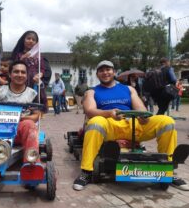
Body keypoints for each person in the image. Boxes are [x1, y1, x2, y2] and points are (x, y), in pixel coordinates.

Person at [73, 60, 188, 191]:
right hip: (110, 124)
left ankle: (168, 169)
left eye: (108, 69)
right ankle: (86, 172)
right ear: (98, 74)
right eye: (101, 70)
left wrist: (143, 116)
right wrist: (109, 113)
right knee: (95, 122)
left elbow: (141, 108)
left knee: (167, 121)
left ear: (114, 72)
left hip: (133, 124)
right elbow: (90, 111)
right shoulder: (92, 92)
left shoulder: (129, 89)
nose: (105, 72)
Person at [11, 30, 47, 111]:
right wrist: (23, 58)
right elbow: (14, 66)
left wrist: (40, 74)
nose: (31, 41)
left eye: (33, 39)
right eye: (28, 38)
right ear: (23, 40)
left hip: (35, 81)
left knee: (36, 102)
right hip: (23, 80)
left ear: (36, 43)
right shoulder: (18, 54)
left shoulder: (38, 56)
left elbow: (42, 68)